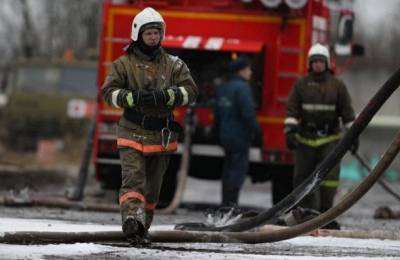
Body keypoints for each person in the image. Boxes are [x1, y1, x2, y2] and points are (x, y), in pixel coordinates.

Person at [102, 7, 198, 245]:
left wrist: (167, 96)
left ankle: (143, 226)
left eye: (156, 32)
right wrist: (130, 98)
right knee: (133, 180)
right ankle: (132, 221)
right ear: (138, 35)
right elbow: (108, 92)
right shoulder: (123, 64)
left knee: (153, 190)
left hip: (161, 136)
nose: (153, 37)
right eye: (149, 33)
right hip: (131, 132)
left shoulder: (174, 65)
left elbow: (191, 92)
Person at [284, 43, 357, 214]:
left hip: (329, 140)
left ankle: (325, 213)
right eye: (314, 61)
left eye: (320, 61)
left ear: (326, 63)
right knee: (303, 178)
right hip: (305, 139)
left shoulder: (337, 85)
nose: (317, 64)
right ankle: (305, 213)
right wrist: (289, 131)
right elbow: (292, 111)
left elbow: (347, 113)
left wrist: (353, 136)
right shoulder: (301, 85)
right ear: (310, 64)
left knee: (329, 178)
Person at [214, 56, 261, 207]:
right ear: (241, 71)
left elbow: (217, 114)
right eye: (248, 69)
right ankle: (232, 205)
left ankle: (225, 203)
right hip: (240, 137)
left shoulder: (224, 87)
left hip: (225, 136)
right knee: (237, 171)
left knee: (227, 170)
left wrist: (217, 133)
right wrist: (258, 132)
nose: (251, 72)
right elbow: (248, 113)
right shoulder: (243, 88)